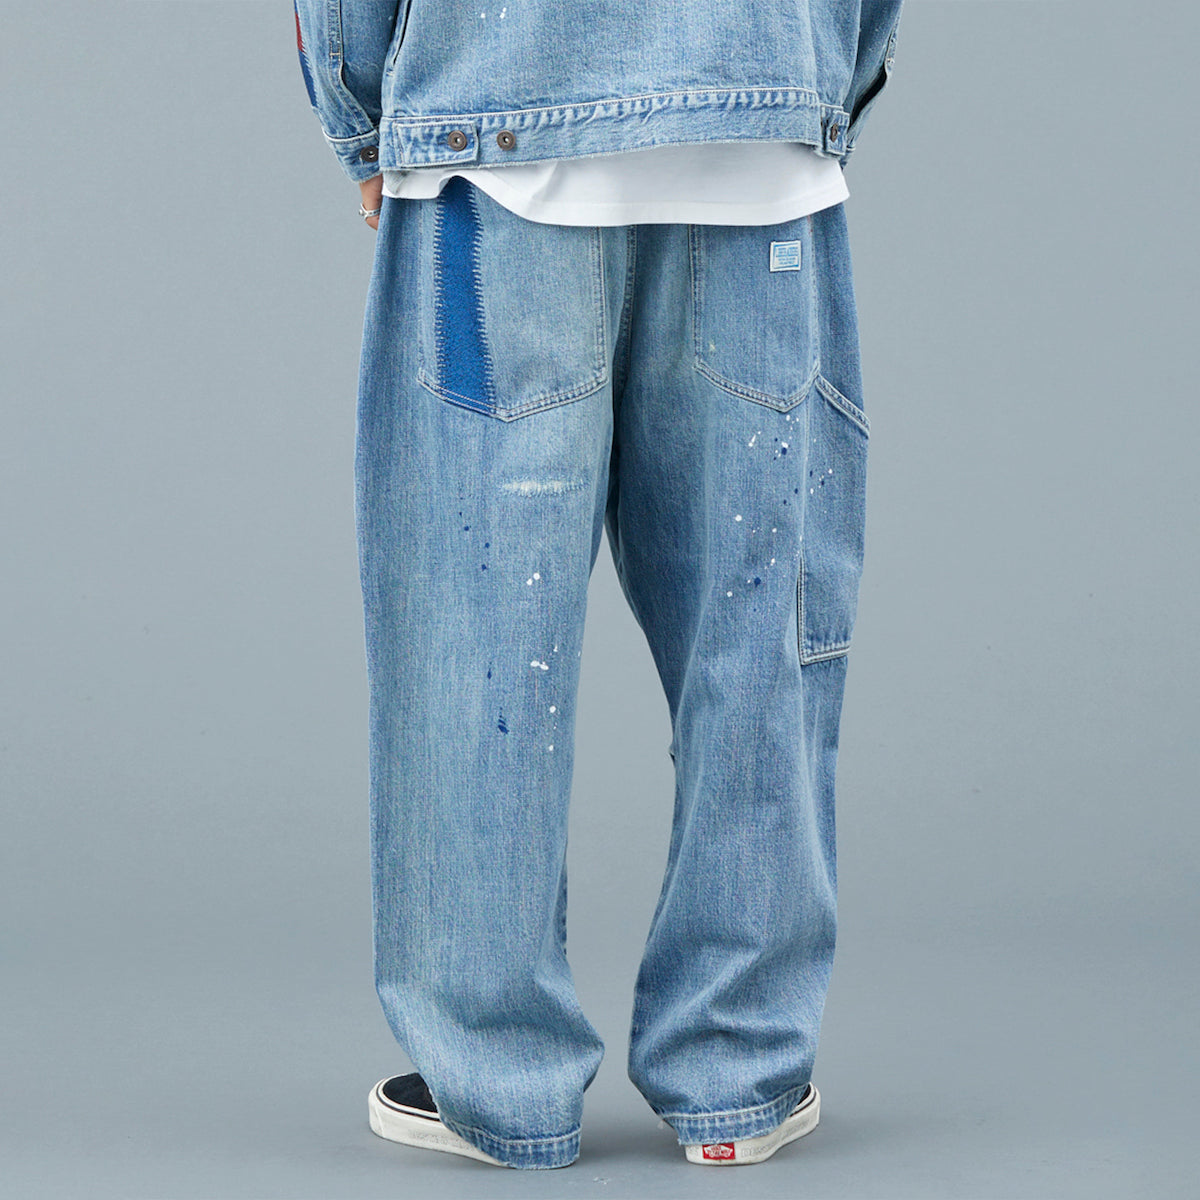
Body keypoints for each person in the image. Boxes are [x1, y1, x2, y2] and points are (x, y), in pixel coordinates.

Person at [293, 0, 903, 1172]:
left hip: (495, 146)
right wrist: (818, 94)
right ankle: (738, 1080)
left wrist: (363, 121)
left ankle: (501, 1089)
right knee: (758, 639)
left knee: (475, 641)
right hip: (760, 155)